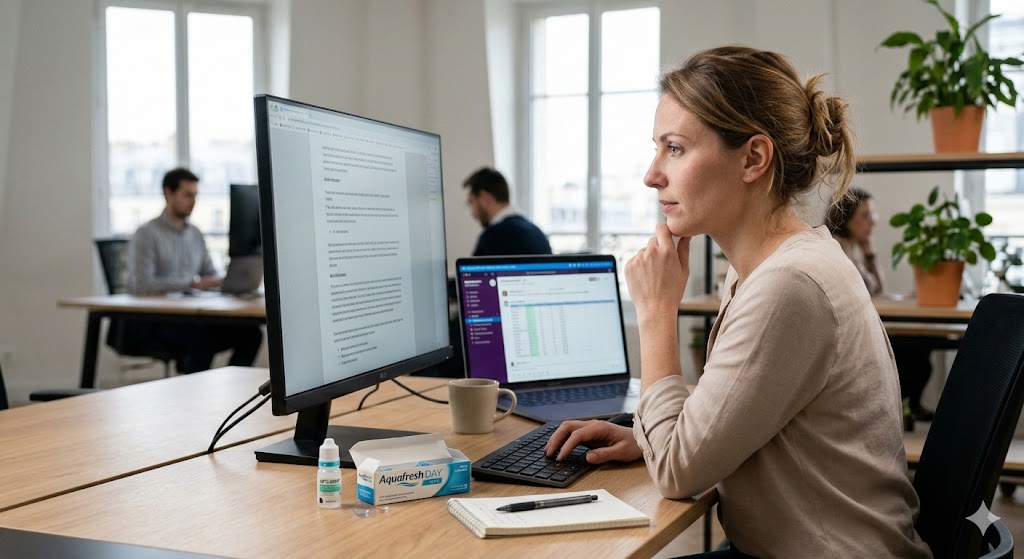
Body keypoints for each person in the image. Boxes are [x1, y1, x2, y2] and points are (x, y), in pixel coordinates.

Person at [546, 47, 931, 558]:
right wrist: (647, 438)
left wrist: (657, 312)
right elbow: (723, 416)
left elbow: (678, 473)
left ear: (753, 158)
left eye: (675, 149)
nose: (652, 174)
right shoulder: (764, 268)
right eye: (656, 148)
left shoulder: (790, 286)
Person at [126, 167, 262, 374]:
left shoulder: (195, 234)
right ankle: (192, 396)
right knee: (203, 337)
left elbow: (209, 272)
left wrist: (228, 280)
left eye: (195, 195)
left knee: (251, 334)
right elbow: (141, 283)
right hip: (156, 322)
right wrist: (191, 283)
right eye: (187, 195)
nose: (193, 201)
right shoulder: (147, 234)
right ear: (168, 193)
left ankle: (231, 392)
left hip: (192, 317)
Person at [826, 188, 935, 421]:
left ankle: (905, 407)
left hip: (871, 323)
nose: (872, 223)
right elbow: (861, 295)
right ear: (846, 217)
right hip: (855, 335)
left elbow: (879, 290)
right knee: (918, 353)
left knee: (923, 348)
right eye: (866, 215)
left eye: (872, 215)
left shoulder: (856, 246)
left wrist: (870, 252)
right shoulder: (836, 248)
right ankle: (902, 408)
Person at [463, 167, 552, 256]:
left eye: (471, 202)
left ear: (485, 198)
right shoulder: (537, 233)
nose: (473, 214)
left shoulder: (492, 238)